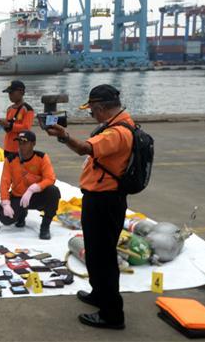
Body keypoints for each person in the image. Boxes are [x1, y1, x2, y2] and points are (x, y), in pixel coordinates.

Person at [45, 84, 132, 330]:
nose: (91, 114)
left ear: (102, 108)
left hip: (106, 201)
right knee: (94, 252)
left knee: (104, 257)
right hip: (98, 198)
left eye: (92, 110)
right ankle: (99, 294)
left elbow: (85, 148)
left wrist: (63, 136)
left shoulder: (117, 133)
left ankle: (112, 314)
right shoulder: (115, 125)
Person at [0, 131, 60, 240]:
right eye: (19, 143)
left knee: (53, 191)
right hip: (18, 197)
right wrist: (5, 203)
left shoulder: (42, 157)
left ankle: (45, 226)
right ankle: (21, 215)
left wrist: (33, 189)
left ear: (33, 144)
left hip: (36, 196)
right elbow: (4, 182)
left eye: (24, 143)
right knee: (5, 219)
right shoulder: (10, 159)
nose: (21, 146)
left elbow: (50, 178)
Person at [0, 80, 34, 161]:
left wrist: (9, 125)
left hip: (20, 148)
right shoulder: (9, 109)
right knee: (8, 171)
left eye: (11, 93)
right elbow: (8, 129)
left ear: (21, 92)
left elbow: (26, 128)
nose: (10, 95)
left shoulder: (27, 109)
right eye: (9, 93)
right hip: (8, 147)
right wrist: (4, 125)